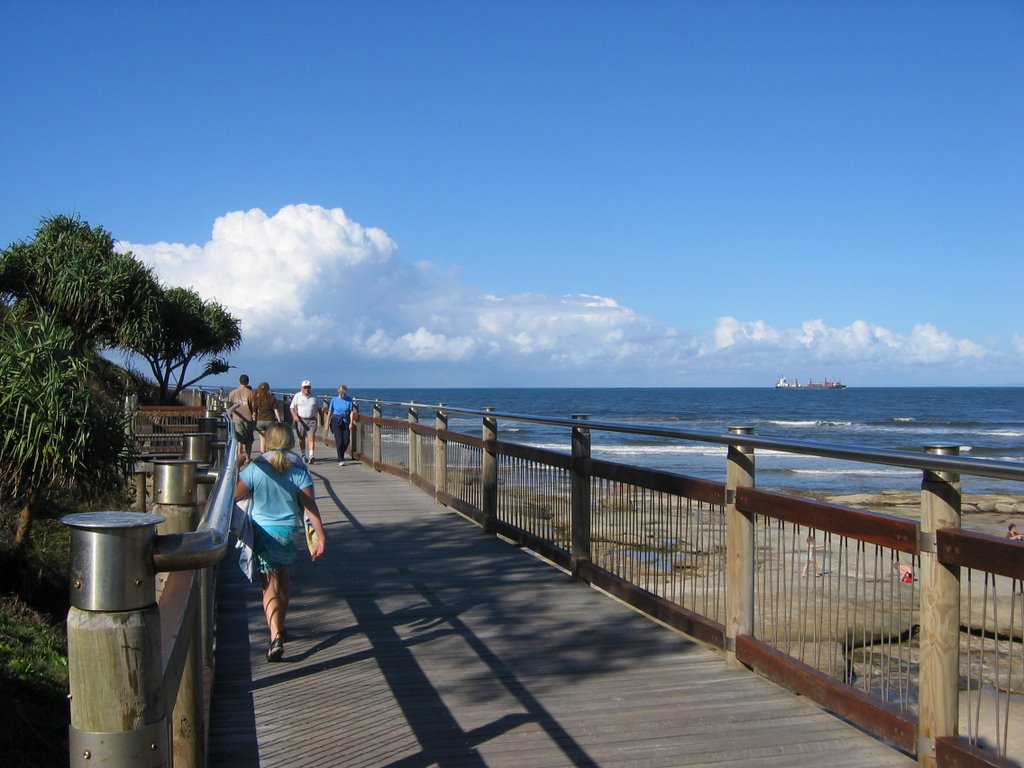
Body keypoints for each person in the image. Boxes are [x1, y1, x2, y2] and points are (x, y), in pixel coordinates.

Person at [233, 423, 326, 662]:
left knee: (269, 585)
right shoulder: (299, 472)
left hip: (262, 532)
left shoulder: (256, 469)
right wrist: (321, 537)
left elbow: (234, 495)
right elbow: (310, 506)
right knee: (283, 578)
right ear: (290, 442)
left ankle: (275, 636)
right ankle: (281, 627)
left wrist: (235, 467)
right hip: (287, 533)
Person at [290, 380, 321, 464]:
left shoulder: (314, 396)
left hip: (311, 420)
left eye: (308, 387)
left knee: (311, 437)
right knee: (301, 438)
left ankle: (311, 456)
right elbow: (292, 407)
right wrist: (294, 416)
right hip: (301, 420)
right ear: (301, 388)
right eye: (305, 387)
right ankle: (303, 454)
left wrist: (321, 419)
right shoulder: (297, 396)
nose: (307, 389)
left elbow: (318, 408)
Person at [227, 374, 256, 464]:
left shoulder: (232, 393)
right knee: (249, 439)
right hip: (248, 418)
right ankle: (248, 457)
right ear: (247, 382)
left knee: (238, 439)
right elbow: (253, 407)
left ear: (239, 381)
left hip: (236, 418)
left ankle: (238, 456)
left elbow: (229, 406)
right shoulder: (250, 393)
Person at [325, 385, 355, 466]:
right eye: (341, 394)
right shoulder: (334, 400)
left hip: (345, 420)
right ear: (339, 393)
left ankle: (341, 454)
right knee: (339, 440)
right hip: (336, 420)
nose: (342, 395)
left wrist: (351, 422)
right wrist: (327, 423)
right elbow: (330, 412)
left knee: (346, 440)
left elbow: (351, 412)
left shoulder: (349, 400)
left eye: (344, 394)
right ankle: (340, 459)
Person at [250, 381, 281, 453]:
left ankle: (262, 455)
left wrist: (254, 420)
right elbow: (275, 410)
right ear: (268, 389)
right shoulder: (272, 398)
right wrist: (279, 420)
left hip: (260, 421)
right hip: (270, 420)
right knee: (269, 439)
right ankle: (268, 455)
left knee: (262, 439)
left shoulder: (257, 399)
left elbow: (254, 412)